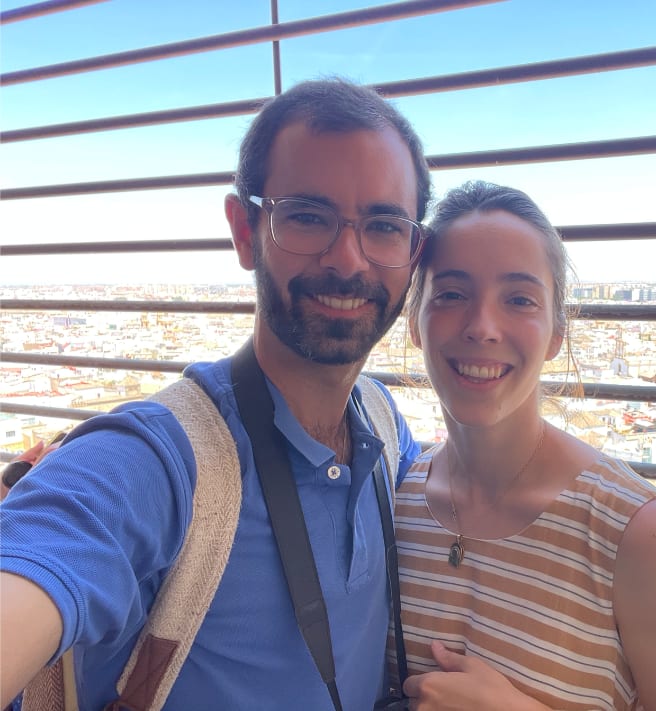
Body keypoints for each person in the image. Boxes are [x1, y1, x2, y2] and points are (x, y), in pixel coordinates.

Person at [0, 78, 431, 710]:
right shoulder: (164, 462)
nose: (349, 259)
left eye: (384, 225)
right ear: (243, 229)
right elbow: (50, 547)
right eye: (308, 217)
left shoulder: (385, 427)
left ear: (414, 252)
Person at [393, 181, 656, 710]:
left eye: (519, 299)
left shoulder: (635, 533)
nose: (482, 326)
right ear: (415, 321)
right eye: (452, 294)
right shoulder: (395, 504)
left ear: (556, 333)